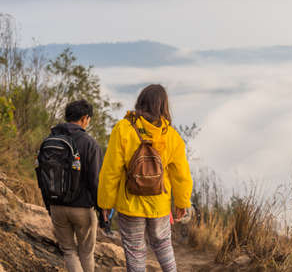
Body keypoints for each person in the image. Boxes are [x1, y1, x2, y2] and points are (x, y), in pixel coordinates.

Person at [98, 84, 193, 272]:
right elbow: (181, 175)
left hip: (130, 203)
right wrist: (182, 203)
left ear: (141, 101)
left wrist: (105, 203)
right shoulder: (172, 135)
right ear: (164, 106)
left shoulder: (124, 128)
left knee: (135, 251)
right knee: (163, 244)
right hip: (159, 204)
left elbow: (111, 170)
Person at [39, 99, 103, 272]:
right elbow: (95, 180)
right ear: (84, 118)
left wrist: (49, 205)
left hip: (56, 206)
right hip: (82, 208)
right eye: (88, 119)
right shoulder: (90, 143)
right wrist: (102, 209)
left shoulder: (50, 140)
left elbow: (41, 174)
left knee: (69, 251)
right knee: (86, 253)